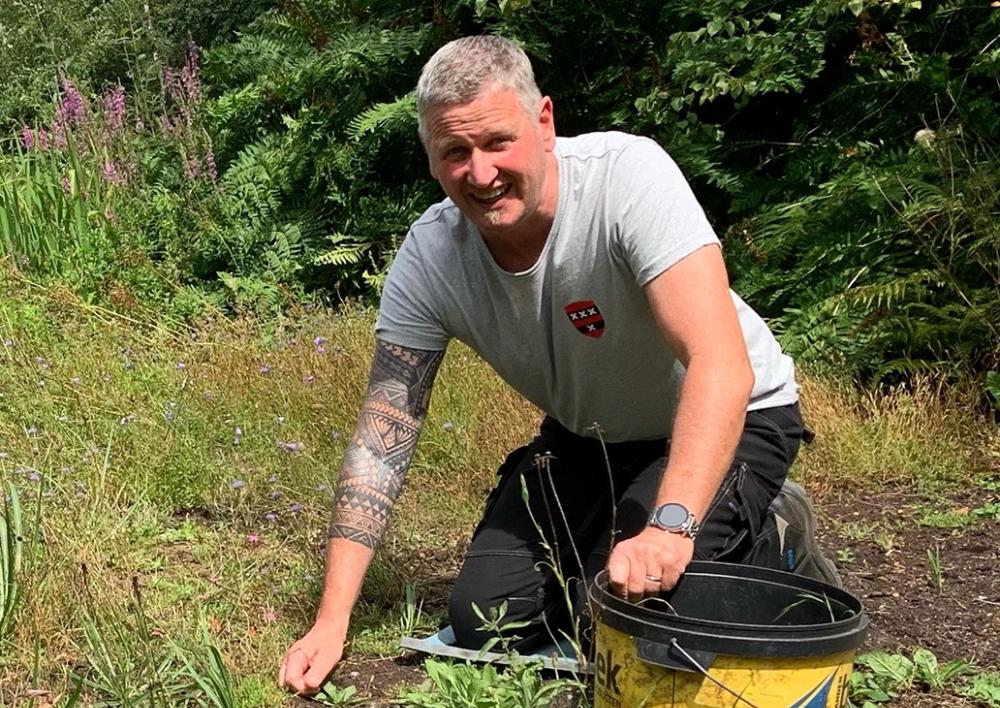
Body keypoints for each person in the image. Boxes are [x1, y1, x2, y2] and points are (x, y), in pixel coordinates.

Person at [278, 35, 840, 695]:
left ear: (543, 122)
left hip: (737, 414)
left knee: (619, 614)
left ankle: (773, 531)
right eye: (454, 152)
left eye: (496, 142)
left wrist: (670, 525)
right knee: (485, 620)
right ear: (430, 156)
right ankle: (622, 530)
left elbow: (720, 362)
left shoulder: (626, 178)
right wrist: (331, 619)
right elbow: (384, 432)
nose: (480, 173)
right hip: (589, 437)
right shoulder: (432, 257)